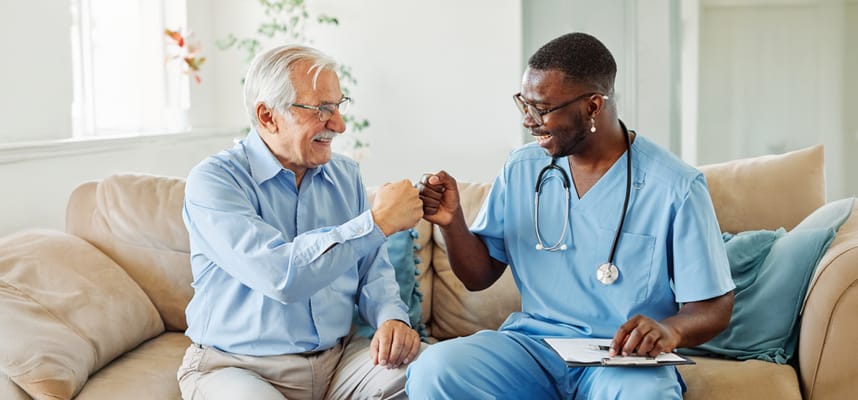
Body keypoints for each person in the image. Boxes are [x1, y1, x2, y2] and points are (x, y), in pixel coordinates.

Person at [407, 32, 735, 399]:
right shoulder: (522, 168)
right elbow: (479, 276)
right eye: (524, 104)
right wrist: (453, 223)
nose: (528, 122)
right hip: (533, 348)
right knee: (436, 370)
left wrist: (671, 331)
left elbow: (713, 305)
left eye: (542, 109)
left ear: (593, 107)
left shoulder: (675, 186)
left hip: (622, 360)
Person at [177, 44, 425, 400]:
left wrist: (392, 318)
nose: (339, 125)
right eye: (322, 109)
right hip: (237, 367)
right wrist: (377, 221)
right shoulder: (214, 181)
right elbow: (279, 275)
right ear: (267, 116)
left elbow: (373, 270)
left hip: (338, 361)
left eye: (338, 106)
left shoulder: (345, 175)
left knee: (432, 376)